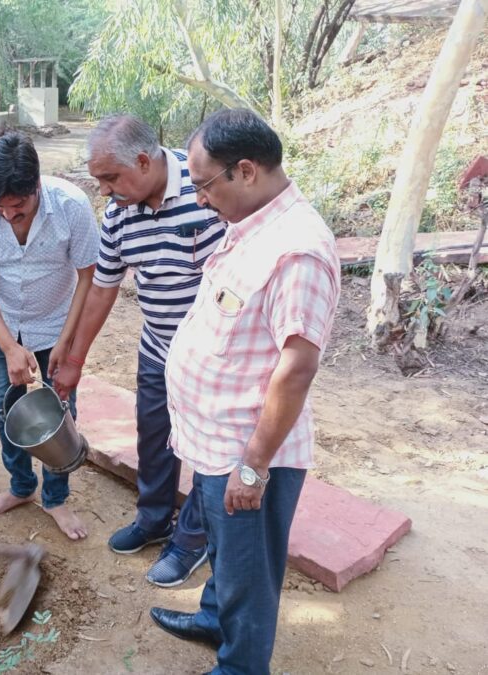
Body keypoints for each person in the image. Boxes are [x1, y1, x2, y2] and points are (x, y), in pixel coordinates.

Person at [149, 109, 341, 675]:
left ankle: (241, 665)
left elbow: (296, 369)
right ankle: (215, 618)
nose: (200, 198)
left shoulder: (298, 251)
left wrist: (254, 466)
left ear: (247, 171)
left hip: (248, 452)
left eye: (205, 184)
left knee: (250, 569)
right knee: (226, 550)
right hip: (216, 440)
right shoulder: (253, 222)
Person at [53, 115, 225, 586]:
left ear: (145, 161)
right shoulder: (118, 214)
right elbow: (103, 289)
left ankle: (192, 539)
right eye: (99, 180)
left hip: (213, 357)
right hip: (157, 349)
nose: (104, 190)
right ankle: (154, 519)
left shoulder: (206, 188)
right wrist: (75, 360)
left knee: (208, 450)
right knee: (154, 437)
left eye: (111, 178)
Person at [0, 132, 99, 540]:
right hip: (3, 327)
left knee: (60, 411)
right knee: (7, 411)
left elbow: (88, 276)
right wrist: (8, 346)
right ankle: (21, 487)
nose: (7, 215)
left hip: (56, 323)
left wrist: (67, 341)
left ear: (36, 185)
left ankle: (56, 498)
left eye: (17, 206)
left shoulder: (71, 205)